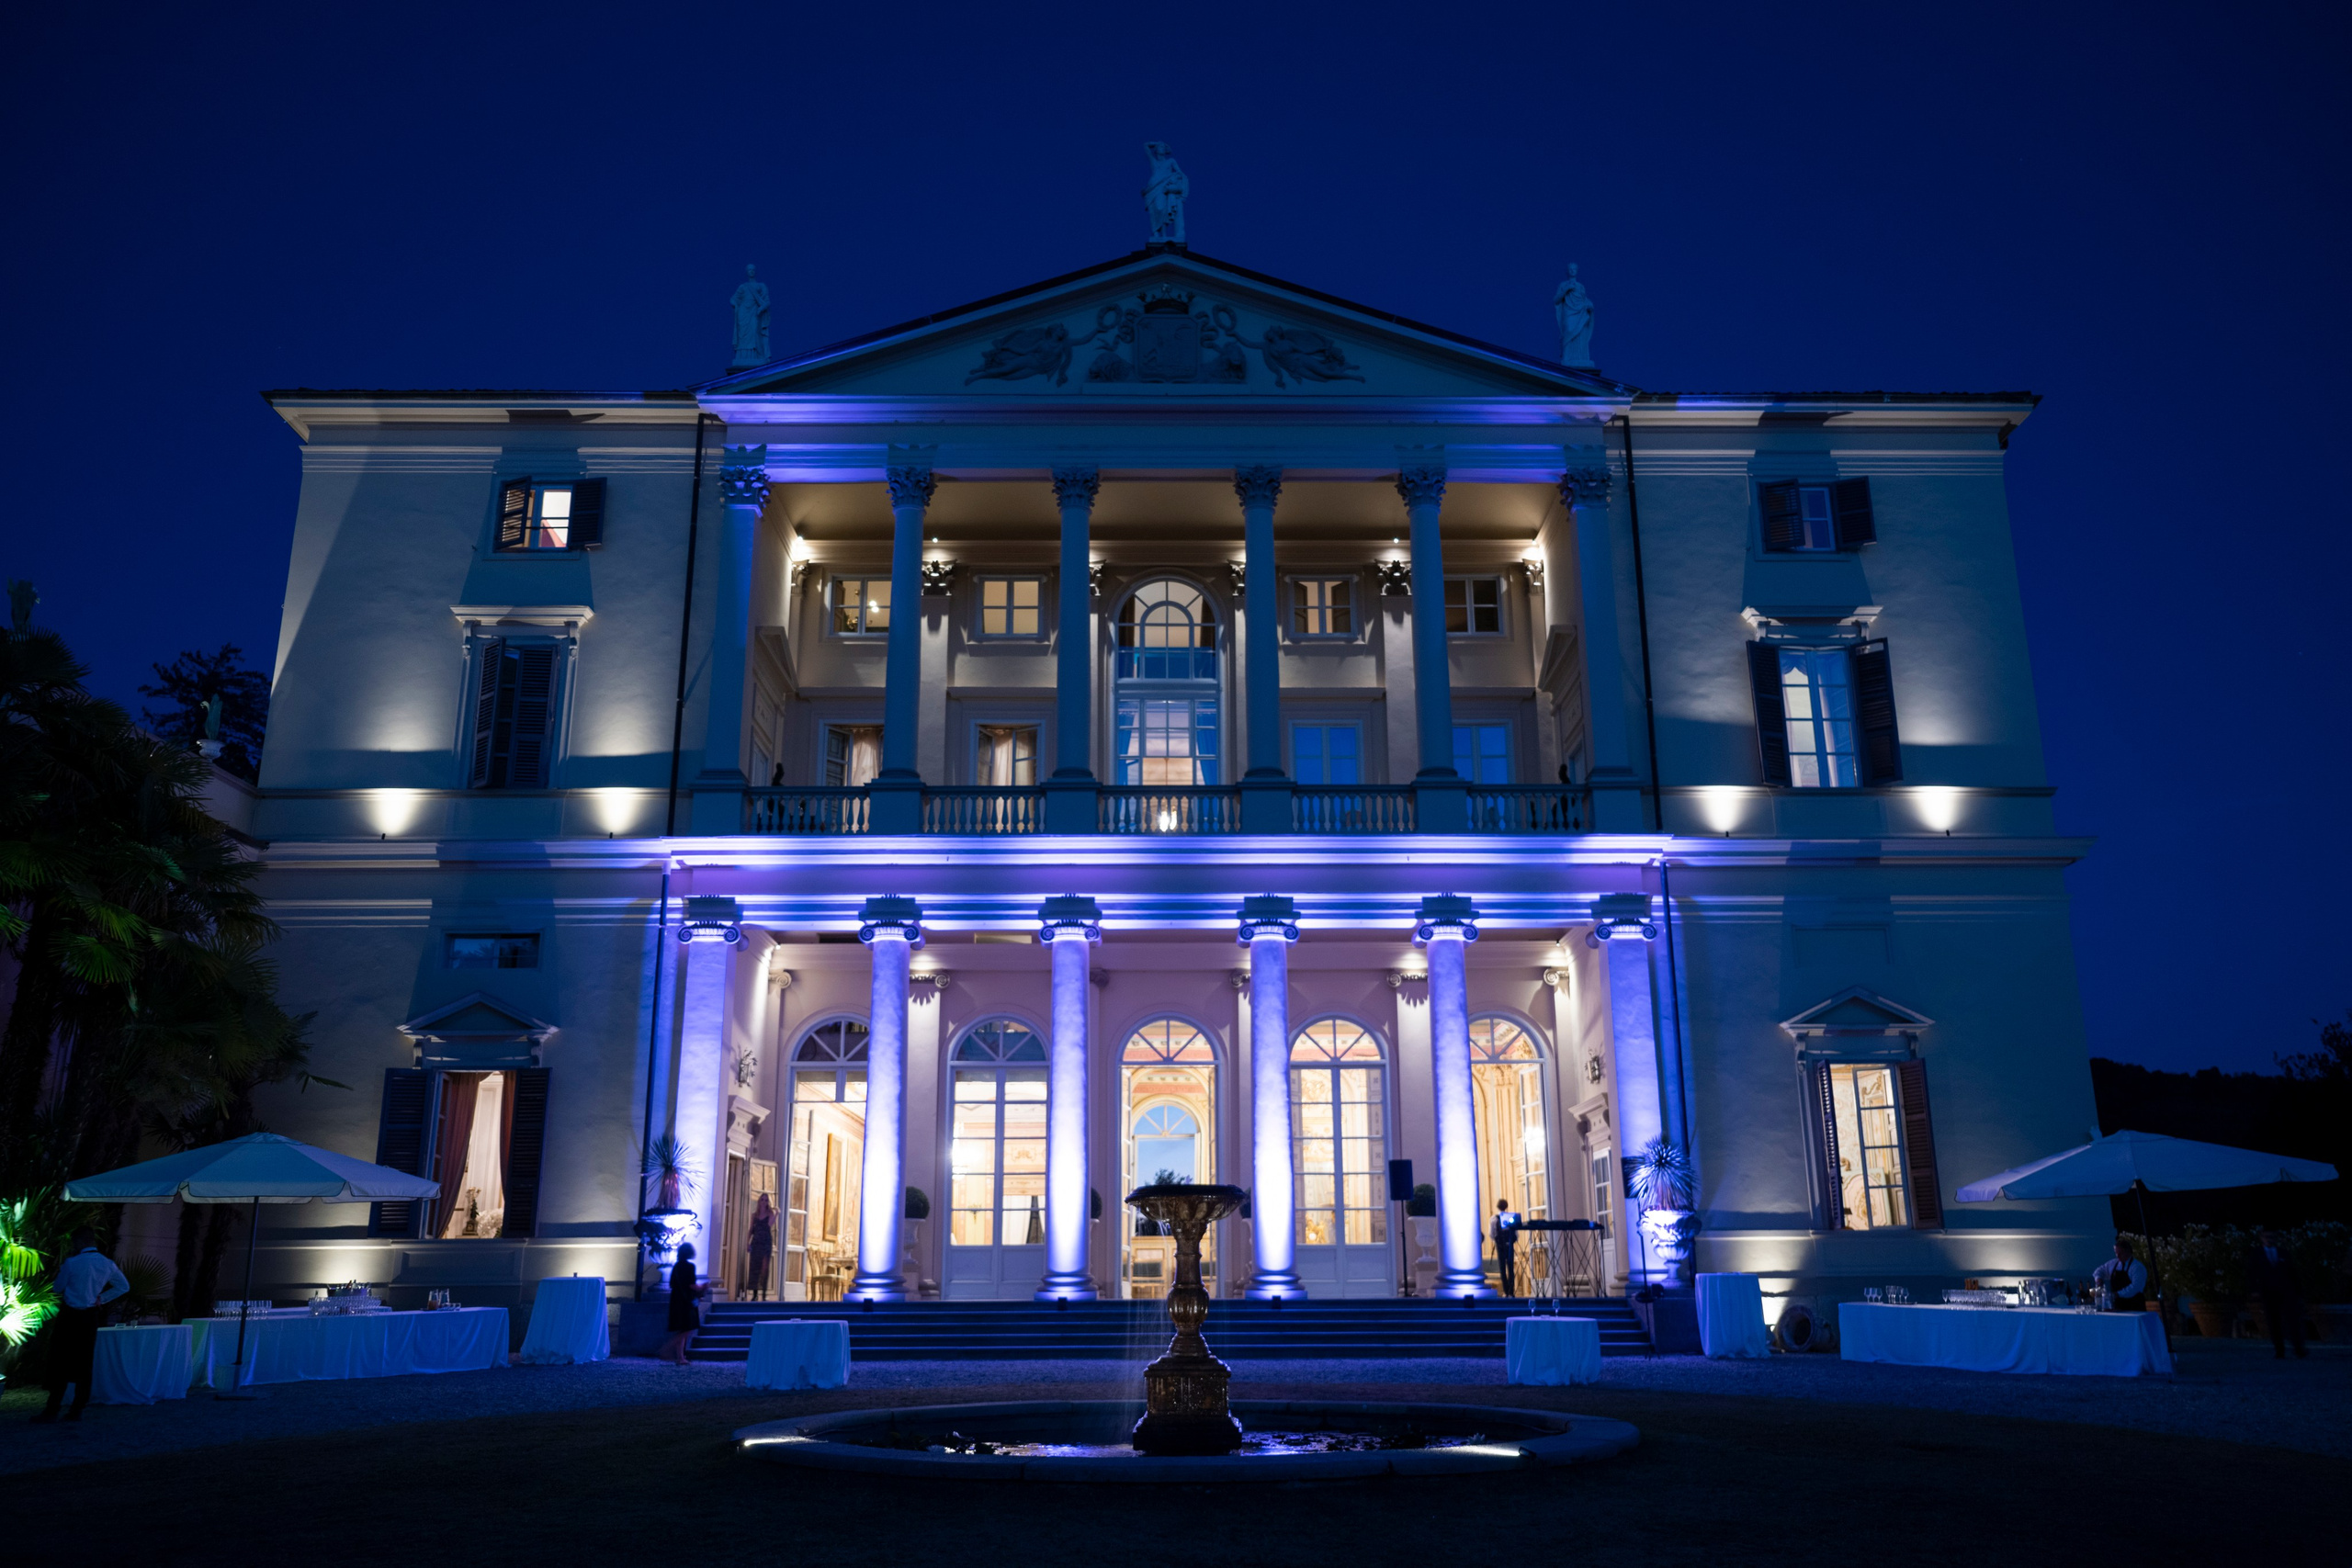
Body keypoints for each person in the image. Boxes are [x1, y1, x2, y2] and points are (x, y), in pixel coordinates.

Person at [32, 1227, 130, 1423]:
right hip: (89, 1318)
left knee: (60, 1361)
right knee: (84, 1362)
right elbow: (124, 1286)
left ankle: (52, 1409)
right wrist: (101, 1297)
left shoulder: (72, 1263)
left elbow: (58, 1287)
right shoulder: (107, 1264)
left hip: (69, 1317)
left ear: (78, 1243)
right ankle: (77, 1409)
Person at [2246, 1228, 2308, 1359]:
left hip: (2286, 1291)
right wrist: (2254, 1290)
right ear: (2261, 1238)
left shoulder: (2284, 1253)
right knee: (2273, 1322)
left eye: (2272, 1236)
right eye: (2267, 1236)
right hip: (2268, 1292)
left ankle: (2298, 1348)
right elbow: (2251, 1273)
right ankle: (2280, 1349)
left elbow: (2293, 1273)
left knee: (2292, 1320)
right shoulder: (2256, 1254)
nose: (2269, 1239)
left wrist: (2298, 1292)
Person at [657, 1241, 707, 1366]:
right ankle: (666, 1349)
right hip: (686, 1301)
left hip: (676, 1299)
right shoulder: (690, 1267)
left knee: (681, 1329)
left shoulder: (676, 1266)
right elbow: (692, 1285)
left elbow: (672, 1284)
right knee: (688, 1328)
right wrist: (703, 1286)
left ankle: (680, 1357)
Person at [2091, 1237, 2147, 1312]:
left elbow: (2136, 1287)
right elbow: (2099, 1271)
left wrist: (2117, 1294)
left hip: (2134, 1307)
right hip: (2117, 1307)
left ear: (2128, 1252)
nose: (2118, 1256)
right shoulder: (2114, 1264)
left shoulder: (2137, 1267)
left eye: (2120, 1253)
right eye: (2116, 1253)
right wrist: (2098, 1280)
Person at [745, 1194, 775, 1302]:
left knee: (764, 1268)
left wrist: (777, 1214)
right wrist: (747, 1243)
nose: (764, 1202)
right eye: (762, 1200)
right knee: (755, 1267)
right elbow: (751, 1230)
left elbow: (769, 1225)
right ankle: (755, 1294)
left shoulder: (770, 1214)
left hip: (766, 1242)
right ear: (759, 1201)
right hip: (756, 1242)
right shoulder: (754, 1215)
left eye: (766, 1200)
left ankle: (764, 1294)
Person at [1491, 1200, 1521, 1298]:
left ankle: (1505, 1291)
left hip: (1500, 1247)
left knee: (1502, 1269)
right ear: (1506, 1206)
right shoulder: (1512, 1217)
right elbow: (1516, 1235)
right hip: (1509, 1246)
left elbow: (1491, 1234)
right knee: (1511, 1268)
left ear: (1497, 1207)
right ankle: (1511, 1292)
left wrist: (1498, 1242)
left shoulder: (1493, 1219)